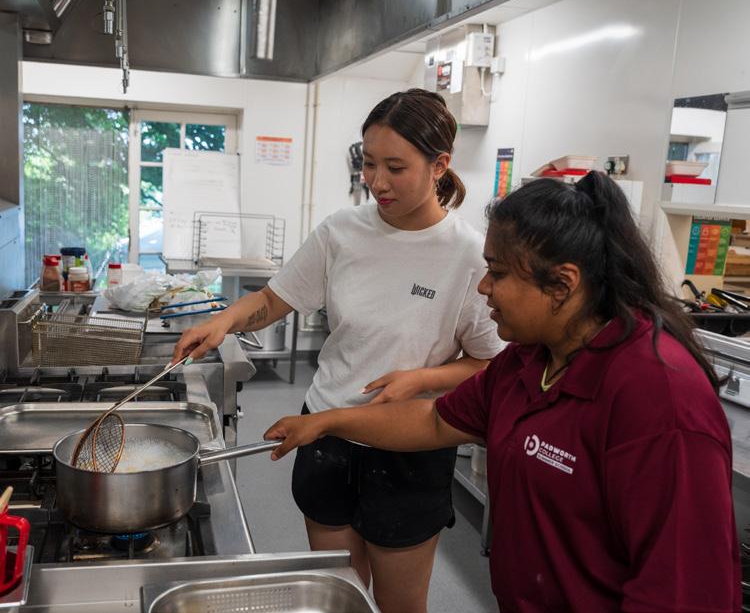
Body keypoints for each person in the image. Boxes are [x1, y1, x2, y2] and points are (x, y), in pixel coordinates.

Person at [264, 171, 741, 612]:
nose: (484, 287)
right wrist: (326, 422)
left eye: (499, 272)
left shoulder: (660, 398)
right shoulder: (529, 360)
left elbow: (683, 592)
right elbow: (436, 420)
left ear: (562, 284)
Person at [172, 88, 504, 613]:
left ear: (439, 165)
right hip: (325, 433)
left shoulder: (468, 255)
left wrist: (421, 380)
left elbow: (489, 363)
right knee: (338, 596)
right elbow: (274, 299)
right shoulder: (342, 231)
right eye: (369, 163)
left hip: (409, 447)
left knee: (398, 604)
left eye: (395, 167)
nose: (377, 182)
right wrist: (224, 320)